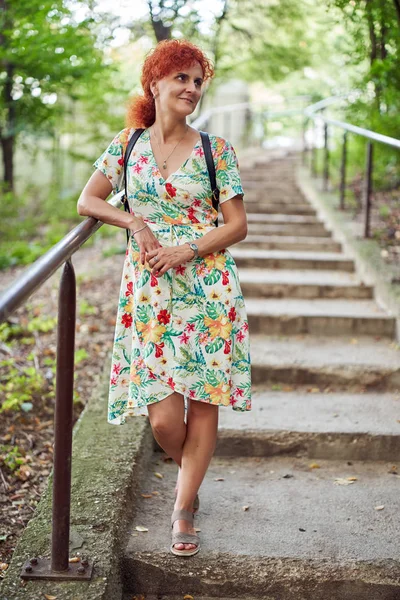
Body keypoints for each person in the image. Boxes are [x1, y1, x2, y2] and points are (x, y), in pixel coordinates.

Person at [77, 39, 252, 557]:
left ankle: (182, 507)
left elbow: (238, 226)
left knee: (202, 405)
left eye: (199, 81)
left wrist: (186, 250)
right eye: (182, 78)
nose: (192, 89)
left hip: (208, 290)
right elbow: (87, 200)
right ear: (154, 82)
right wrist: (133, 219)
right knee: (163, 420)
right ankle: (191, 477)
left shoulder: (216, 151)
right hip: (148, 295)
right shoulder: (126, 146)